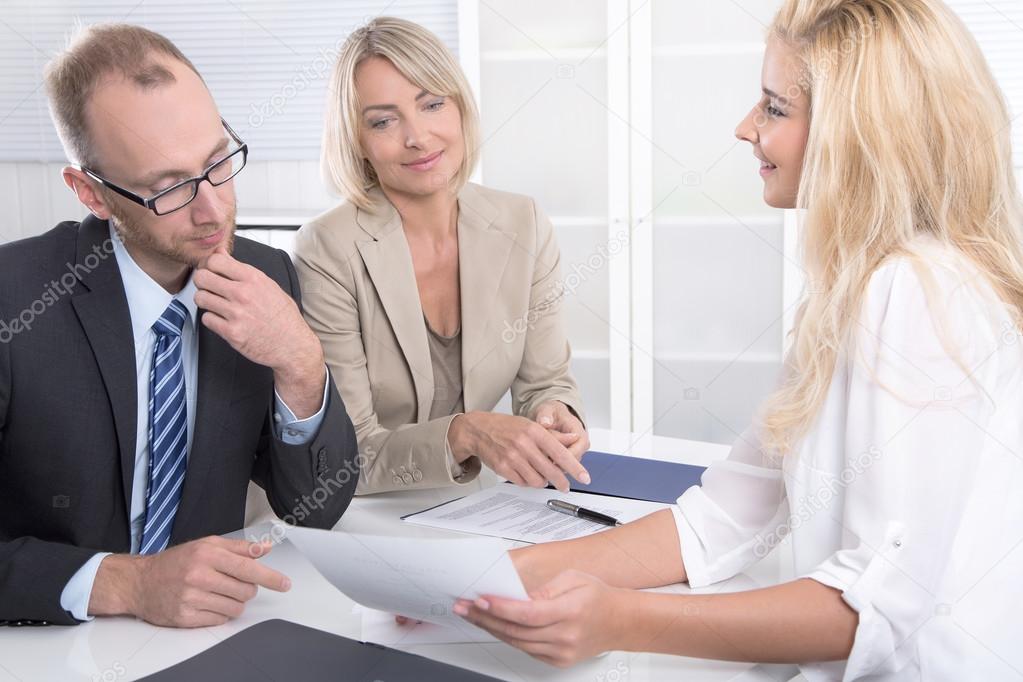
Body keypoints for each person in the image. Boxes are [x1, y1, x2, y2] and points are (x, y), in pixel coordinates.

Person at [454, 1, 1023, 678]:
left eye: (774, 108)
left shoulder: (917, 292)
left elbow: (876, 603)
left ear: (858, 132)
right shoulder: (851, 290)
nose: (745, 127)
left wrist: (621, 620)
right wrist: (482, 578)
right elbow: (724, 515)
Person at [0, 24, 360, 628]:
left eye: (218, 162)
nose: (214, 209)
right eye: (169, 188)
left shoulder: (265, 275)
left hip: (210, 645)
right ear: (91, 193)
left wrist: (301, 362)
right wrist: (127, 583)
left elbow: (314, 512)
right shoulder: (15, 296)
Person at [294, 17, 590, 494]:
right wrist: (465, 432)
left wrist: (555, 414)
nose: (418, 137)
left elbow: (546, 381)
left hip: (473, 503)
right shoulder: (327, 249)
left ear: (459, 109)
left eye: (432, 104)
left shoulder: (523, 224)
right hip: (363, 511)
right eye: (384, 121)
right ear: (358, 142)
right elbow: (347, 456)